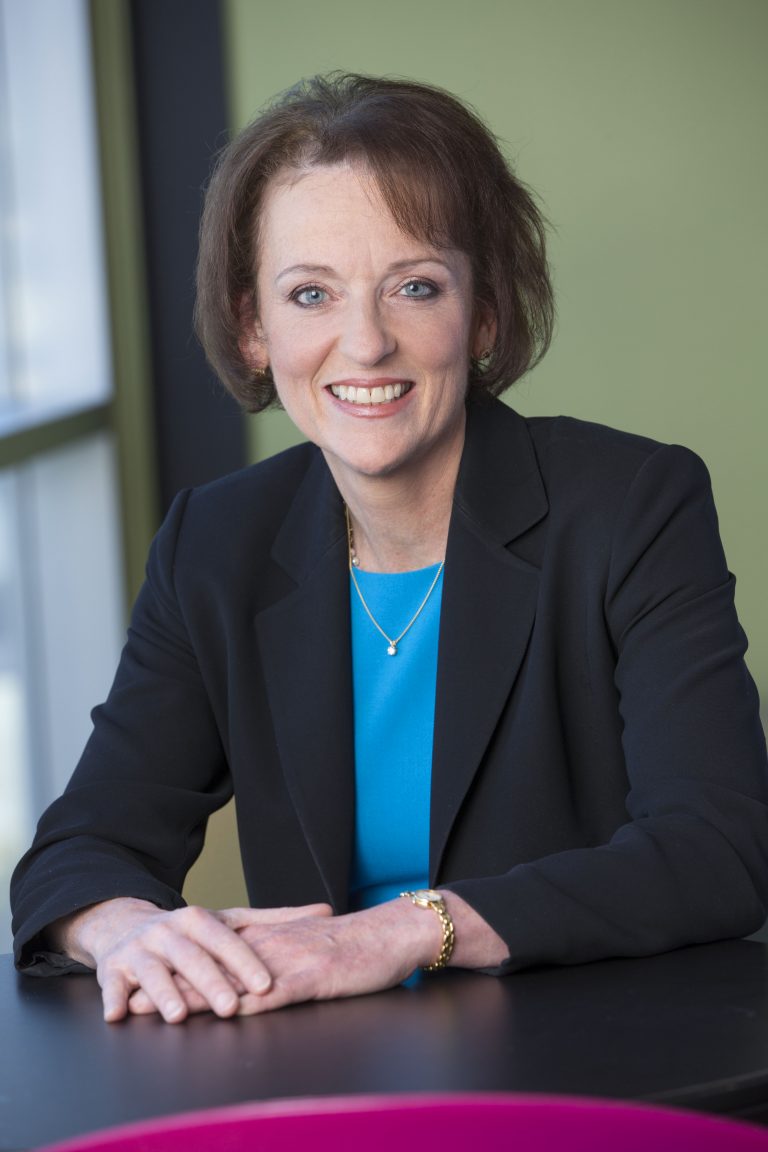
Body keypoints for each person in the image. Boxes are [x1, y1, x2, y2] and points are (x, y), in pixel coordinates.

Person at [11, 73, 768, 1024]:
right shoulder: (216, 542)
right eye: (310, 294)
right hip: (334, 1067)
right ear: (253, 328)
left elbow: (719, 848)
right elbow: (81, 846)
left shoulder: (631, 505)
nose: (364, 343)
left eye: (415, 287)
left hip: (594, 1048)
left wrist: (404, 930)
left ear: (483, 312)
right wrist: (122, 927)